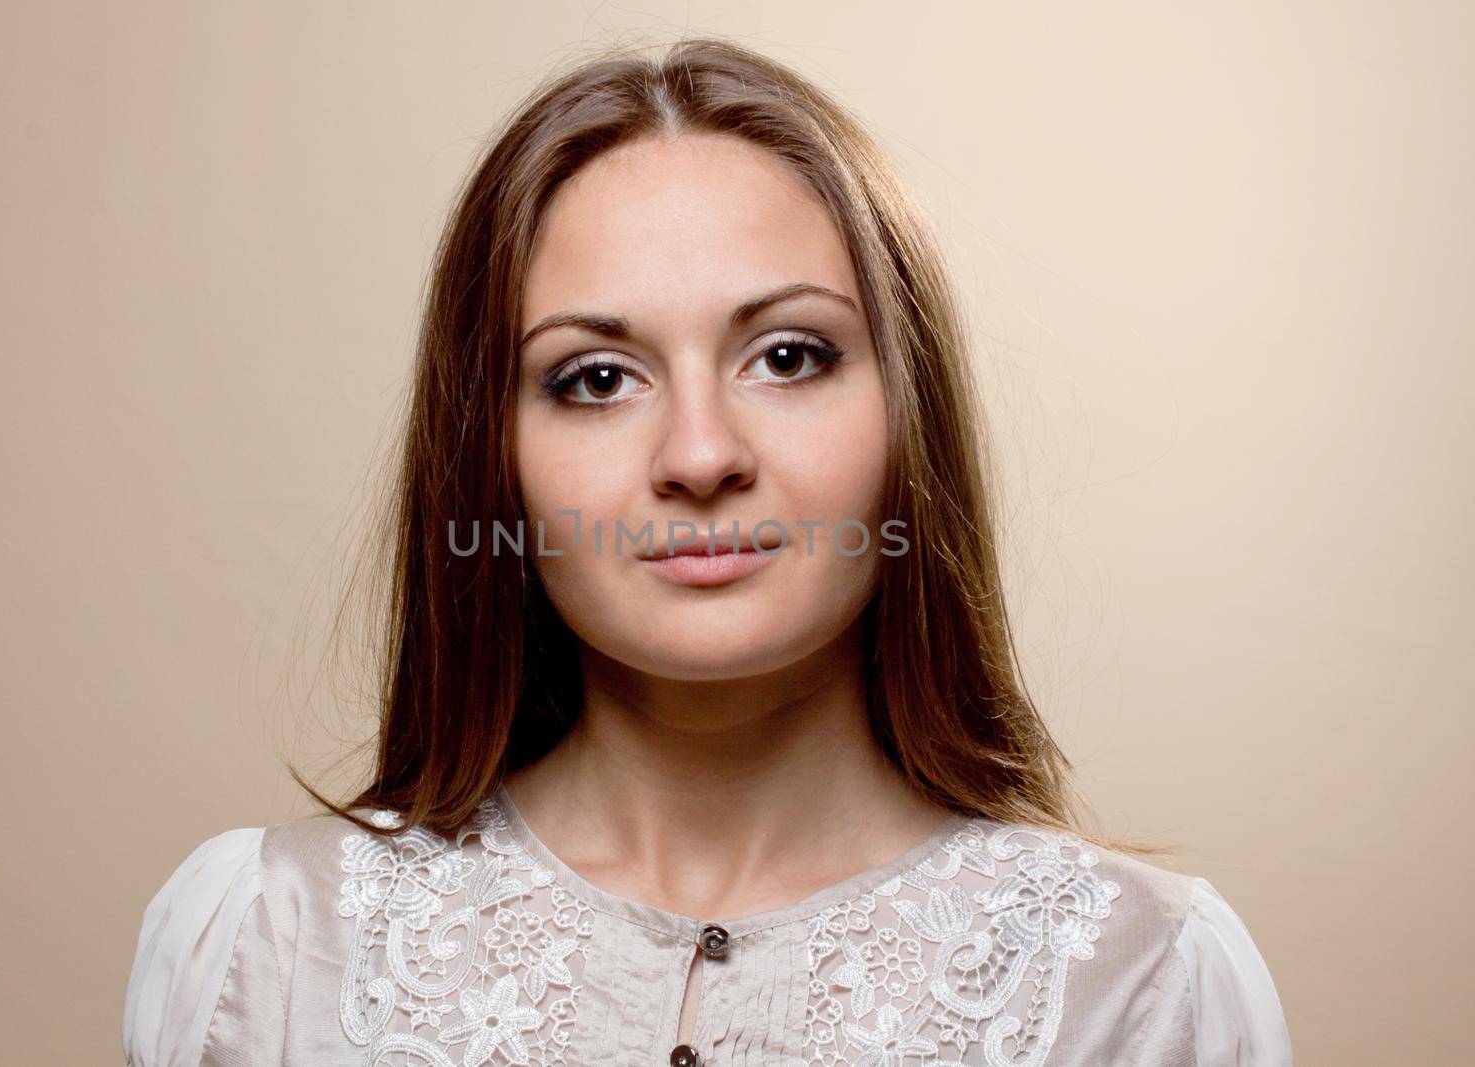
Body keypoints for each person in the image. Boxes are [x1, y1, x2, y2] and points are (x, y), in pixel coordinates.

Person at [122, 36, 1293, 1066]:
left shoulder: (1149, 981)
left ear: (908, 408)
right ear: (492, 452)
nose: (698, 453)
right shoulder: (260, 946)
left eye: (787, 356)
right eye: (594, 378)